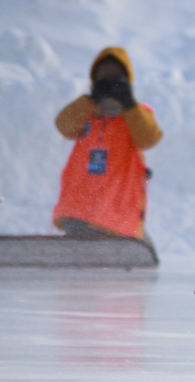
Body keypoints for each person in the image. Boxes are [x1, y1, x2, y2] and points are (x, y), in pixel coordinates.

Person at [52, 47, 161, 242]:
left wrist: (128, 103)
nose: (110, 86)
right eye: (104, 81)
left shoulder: (136, 116)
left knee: (143, 255)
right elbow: (63, 125)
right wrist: (91, 100)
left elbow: (149, 137)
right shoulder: (86, 114)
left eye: (116, 80)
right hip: (80, 212)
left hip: (116, 215)